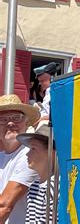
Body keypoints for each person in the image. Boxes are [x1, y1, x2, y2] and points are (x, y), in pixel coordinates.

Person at [0, 94, 41, 223]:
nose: (10, 123)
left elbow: (4, 206)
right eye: (2, 119)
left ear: (26, 122)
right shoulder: (2, 156)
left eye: (16, 118)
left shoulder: (30, 156)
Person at [16, 124, 55, 223]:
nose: (27, 153)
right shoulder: (34, 185)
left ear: (51, 153)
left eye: (33, 149)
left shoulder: (55, 186)